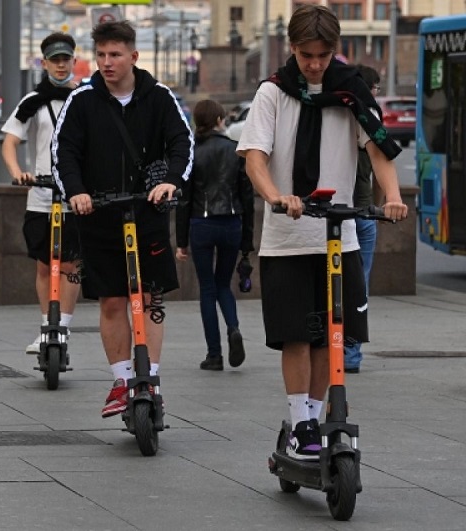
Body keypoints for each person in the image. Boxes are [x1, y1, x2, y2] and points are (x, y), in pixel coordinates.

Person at [236, 5, 408, 460]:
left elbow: (378, 149)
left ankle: (313, 419)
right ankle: (300, 422)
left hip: (338, 236)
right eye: (306, 55)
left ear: (336, 50)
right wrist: (277, 195)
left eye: (322, 55)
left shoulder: (350, 91)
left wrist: (392, 196)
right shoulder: (273, 92)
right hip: (287, 238)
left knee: (329, 335)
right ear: (292, 48)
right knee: (296, 335)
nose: (314, 65)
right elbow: (254, 158)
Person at [52, 20, 193, 418]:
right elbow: (63, 153)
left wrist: (170, 181)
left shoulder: (159, 97)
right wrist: (75, 191)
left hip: (147, 213)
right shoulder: (82, 100)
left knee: (151, 299)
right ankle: (121, 380)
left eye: (115, 54)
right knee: (113, 301)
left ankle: (150, 379)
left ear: (133, 56)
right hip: (98, 215)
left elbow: (183, 144)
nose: (107, 62)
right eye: (100, 55)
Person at [1, 32, 82, 354]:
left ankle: (62, 329)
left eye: (66, 60)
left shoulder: (85, 98)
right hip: (41, 195)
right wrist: (18, 173)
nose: (61, 66)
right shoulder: (32, 101)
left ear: (74, 61)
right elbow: (10, 142)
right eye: (55, 60)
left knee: (71, 266)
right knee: (44, 265)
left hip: (75, 195)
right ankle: (47, 326)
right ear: (44, 63)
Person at [175, 99, 254, 371]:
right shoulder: (235, 151)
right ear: (220, 120)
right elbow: (247, 198)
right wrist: (247, 241)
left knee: (207, 289)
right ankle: (233, 327)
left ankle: (214, 355)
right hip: (232, 224)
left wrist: (181, 242)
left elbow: (184, 200)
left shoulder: (192, 153)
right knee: (224, 285)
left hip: (202, 224)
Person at [344, 64, 382, 374]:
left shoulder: (337, 115)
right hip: (364, 212)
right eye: (377, 88)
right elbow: (382, 168)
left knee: (332, 283)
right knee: (360, 285)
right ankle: (351, 355)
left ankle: (332, 348)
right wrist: (380, 206)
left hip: (337, 214)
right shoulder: (371, 119)